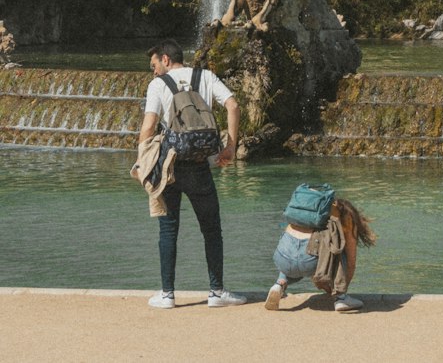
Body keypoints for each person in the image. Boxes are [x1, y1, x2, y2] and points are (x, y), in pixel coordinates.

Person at [138, 40, 245, 309]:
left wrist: (142, 163)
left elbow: (149, 127)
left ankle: (167, 295)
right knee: (211, 230)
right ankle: (217, 292)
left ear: (165, 59)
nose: (153, 72)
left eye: (154, 65)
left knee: (168, 229)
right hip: (200, 164)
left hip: (169, 166)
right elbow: (233, 105)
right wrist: (230, 147)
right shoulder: (206, 76)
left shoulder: (158, 85)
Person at [267, 189, 374, 312]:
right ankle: (341, 299)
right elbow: (351, 262)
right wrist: (339, 289)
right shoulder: (347, 217)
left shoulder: (303, 213)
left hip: (283, 258)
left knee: (294, 254)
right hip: (310, 262)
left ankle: (279, 285)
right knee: (341, 251)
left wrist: (319, 281)